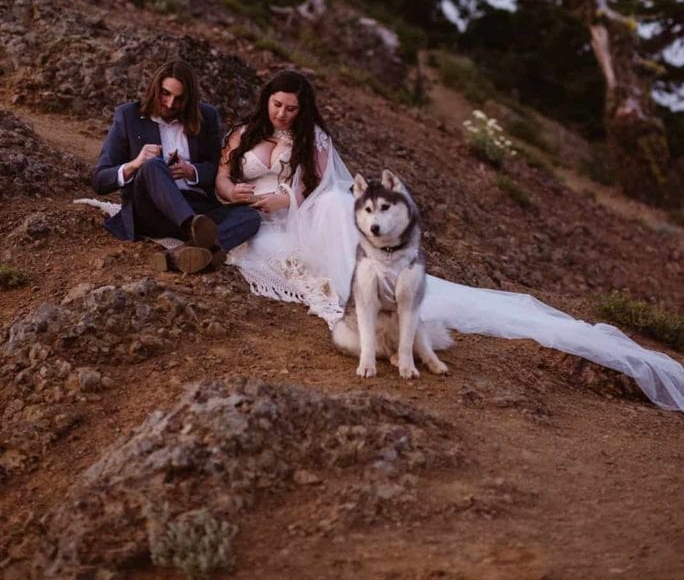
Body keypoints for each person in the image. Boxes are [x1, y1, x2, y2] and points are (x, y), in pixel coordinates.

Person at [217, 70, 684, 412]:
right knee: (258, 248)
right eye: (277, 105)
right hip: (249, 215)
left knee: (339, 205)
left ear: (304, 108)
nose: (283, 113)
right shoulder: (245, 132)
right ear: (267, 102)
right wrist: (232, 191)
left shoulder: (311, 139)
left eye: (292, 108)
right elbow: (222, 173)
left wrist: (280, 202)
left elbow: (311, 189)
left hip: (288, 215)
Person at [92, 58, 260, 273]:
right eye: (165, 93)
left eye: (179, 98)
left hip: (197, 205)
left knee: (250, 216)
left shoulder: (206, 116)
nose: (171, 104)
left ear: (190, 99)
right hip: (151, 210)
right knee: (152, 165)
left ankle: (181, 255)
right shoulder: (128, 116)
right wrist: (135, 164)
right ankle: (194, 229)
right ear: (155, 88)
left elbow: (215, 169)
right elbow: (99, 180)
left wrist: (193, 172)